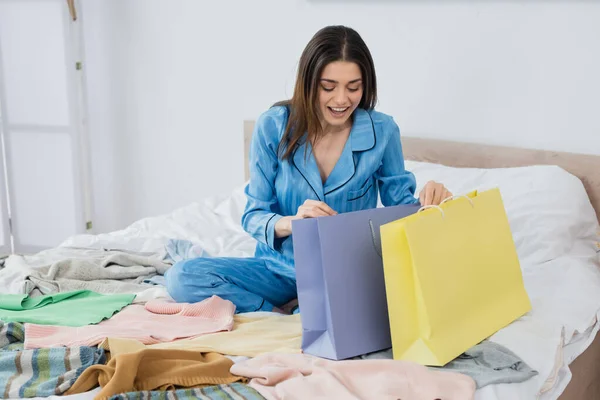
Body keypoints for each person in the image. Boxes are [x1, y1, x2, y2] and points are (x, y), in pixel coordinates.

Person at [165, 25, 452, 313]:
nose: (342, 100)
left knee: (342, 310)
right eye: (328, 87)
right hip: (276, 270)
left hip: (344, 275)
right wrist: (292, 222)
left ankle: (307, 314)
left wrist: (430, 203)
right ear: (308, 82)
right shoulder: (274, 126)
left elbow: (401, 210)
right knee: (181, 277)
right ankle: (276, 313)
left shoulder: (383, 131)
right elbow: (253, 215)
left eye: (354, 87)